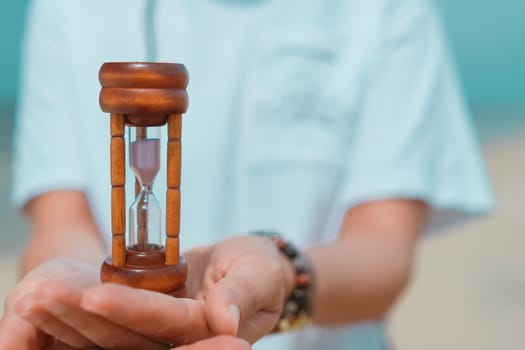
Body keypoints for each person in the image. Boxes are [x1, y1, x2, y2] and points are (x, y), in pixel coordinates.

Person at [1, 0, 493, 349]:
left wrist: (283, 275)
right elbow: (59, 223)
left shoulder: (385, 8)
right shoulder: (74, 8)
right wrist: (94, 296)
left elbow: (385, 249)